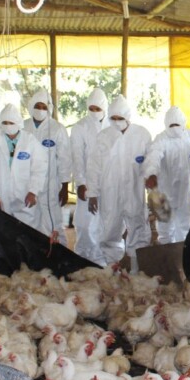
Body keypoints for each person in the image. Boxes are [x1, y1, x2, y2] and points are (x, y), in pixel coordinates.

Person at [86, 95, 152, 270]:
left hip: (134, 191)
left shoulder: (142, 134)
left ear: (128, 117)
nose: (116, 122)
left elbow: (151, 162)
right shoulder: (103, 137)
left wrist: (152, 179)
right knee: (109, 230)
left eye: (120, 118)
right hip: (110, 193)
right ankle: (113, 269)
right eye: (113, 118)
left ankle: (137, 269)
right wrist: (92, 193)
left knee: (138, 226)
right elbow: (93, 167)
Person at [144, 106, 190, 244]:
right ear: (166, 125)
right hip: (165, 192)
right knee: (165, 229)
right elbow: (154, 156)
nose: (174, 128)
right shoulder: (161, 139)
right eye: (171, 125)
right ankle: (168, 258)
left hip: (185, 191)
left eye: (177, 124)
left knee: (184, 226)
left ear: (183, 123)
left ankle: (182, 258)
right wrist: (151, 173)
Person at [0, 104, 47, 230]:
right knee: (5, 232)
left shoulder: (30, 141)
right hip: (3, 196)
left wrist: (33, 191)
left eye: (11, 122)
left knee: (28, 232)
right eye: (5, 122)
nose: (8, 125)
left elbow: (39, 168)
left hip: (26, 196)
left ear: (18, 123)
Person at [24, 89, 73, 244]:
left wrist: (65, 186)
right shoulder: (23, 127)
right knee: (31, 222)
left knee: (54, 223)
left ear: (49, 108)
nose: (40, 110)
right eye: (37, 106)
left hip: (50, 185)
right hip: (28, 185)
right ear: (31, 106)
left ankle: (61, 257)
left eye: (44, 107)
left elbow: (64, 159)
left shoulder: (57, 129)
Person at [69, 88, 108, 265]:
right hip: (87, 182)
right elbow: (77, 157)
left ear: (104, 108)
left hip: (108, 183)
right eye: (91, 108)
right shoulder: (80, 127)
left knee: (107, 223)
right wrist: (81, 182)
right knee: (85, 223)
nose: (94, 112)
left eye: (97, 108)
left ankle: (105, 262)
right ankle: (84, 260)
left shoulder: (113, 126)